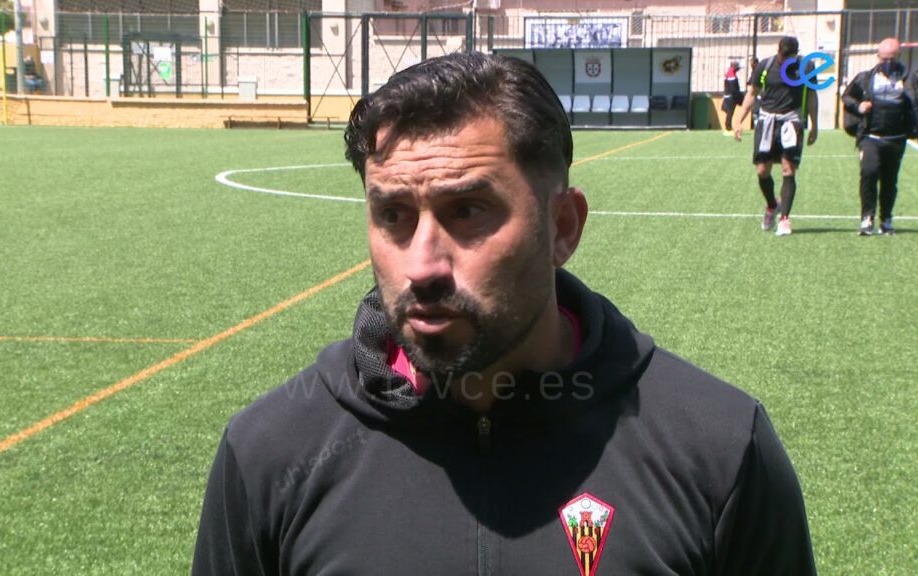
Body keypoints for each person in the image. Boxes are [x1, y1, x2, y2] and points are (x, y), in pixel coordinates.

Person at [192, 53, 817, 576]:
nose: (422, 264)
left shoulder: (718, 449)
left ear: (562, 227)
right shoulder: (272, 452)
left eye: (467, 211)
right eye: (393, 216)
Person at [842, 37, 918, 236]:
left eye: (892, 58)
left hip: (896, 138)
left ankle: (886, 219)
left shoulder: (909, 80)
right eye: (884, 59)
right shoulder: (865, 78)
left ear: (898, 56)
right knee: (869, 173)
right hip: (870, 136)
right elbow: (848, 96)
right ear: (878, 57)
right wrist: (858, 106)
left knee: (890, 180)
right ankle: (867, 218)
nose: (888, 63)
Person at [734, 37, 819, 236]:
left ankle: (784, 220)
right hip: (767, 121)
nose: (785, 60)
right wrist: (739, 120)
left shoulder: (806, 68)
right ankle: (772, 206)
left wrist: (814, 125)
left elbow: (813, 96)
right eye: (782, 56)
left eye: (789, 57)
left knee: (789, 169)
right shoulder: (765, 66)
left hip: (792, 120)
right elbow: (752, 93)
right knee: (762, 170)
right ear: (778, 51)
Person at [721, 60, 743, 132]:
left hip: (729, 96)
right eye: (738, 67)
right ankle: (728, 128)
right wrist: (738, 96)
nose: (739, 69)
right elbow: (733, 88)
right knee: (730, 112)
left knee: (729, 112)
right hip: (731, 97)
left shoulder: (730, 72)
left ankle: (728, 127)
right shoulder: (731, 74)